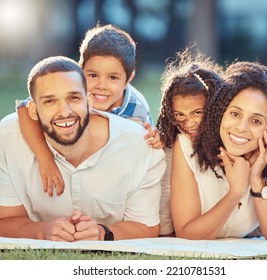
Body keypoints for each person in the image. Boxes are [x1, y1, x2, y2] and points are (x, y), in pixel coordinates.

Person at [0, 56, 166, 241]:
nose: (64, 111)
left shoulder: (140, 145)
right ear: (33, 110)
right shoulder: (9, 137)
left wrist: (102, 233)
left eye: (73, 98)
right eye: (50, 101)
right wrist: (43, 230)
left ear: (89, 101)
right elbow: (2, 220)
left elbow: (146, 226)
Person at [171, 61, 267, 243]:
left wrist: (257, 182)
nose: (241, 128)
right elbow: (187, 234)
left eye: (256, 121)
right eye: (235, 114)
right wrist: (236, 191)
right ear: (221, 111)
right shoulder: (188, 146)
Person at [15, 24, 161, 198]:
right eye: (92, 75)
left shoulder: (136, 108)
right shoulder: (70, 88)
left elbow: (145, 145)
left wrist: (155, 136)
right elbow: (24, 109)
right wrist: (45, 159)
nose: (101, 86)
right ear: (80, 70)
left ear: (129, 78)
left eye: (113, 78)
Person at [155, 47, 223, 236]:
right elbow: (167, 226)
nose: (189, 123)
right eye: (179, 115)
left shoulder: (233, 136)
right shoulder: (178, 141)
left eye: (197, 113)